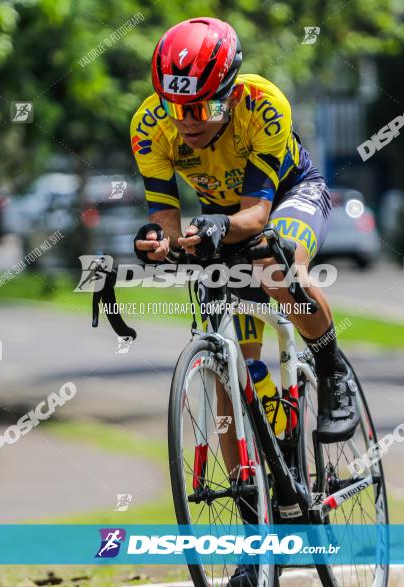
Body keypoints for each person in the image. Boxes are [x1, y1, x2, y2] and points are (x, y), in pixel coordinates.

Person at [130, 17, 359, 584]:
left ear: (231, 92)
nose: (188, 124)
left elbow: (255, 217)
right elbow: (165, 215)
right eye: (177, 108)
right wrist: (158, 240)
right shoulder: (149, 126)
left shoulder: (265, 104)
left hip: (287, 199)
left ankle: (331, 370)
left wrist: (212, 232)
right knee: (229, 383)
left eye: (204, 109)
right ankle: (254, 540)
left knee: (276, 270)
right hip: (218, 224)